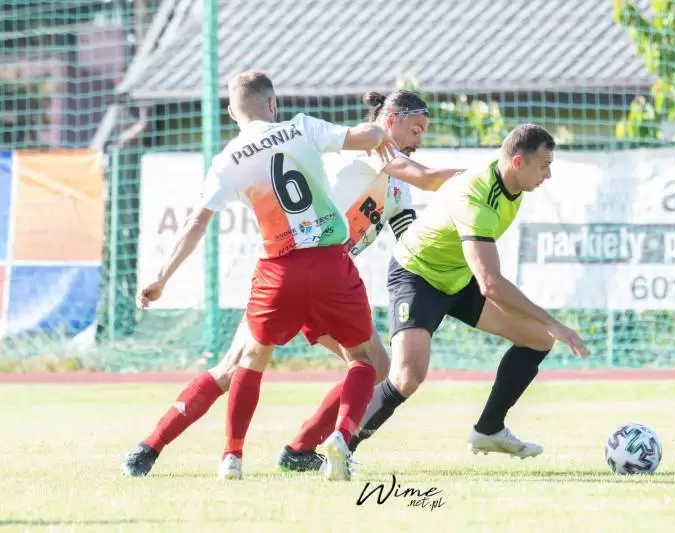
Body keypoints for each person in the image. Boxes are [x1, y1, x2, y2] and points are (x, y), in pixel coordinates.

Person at [123, 88, 464, 480]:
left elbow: (411, 240)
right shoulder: (371, 153)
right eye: (416, 130)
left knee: (375, 368)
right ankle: (153, 444)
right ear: (391, 121)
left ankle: (298, 450)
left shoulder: (397, 186)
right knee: (243, 367)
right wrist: (484, 178)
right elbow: (424, 176)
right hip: (306, 266)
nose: (419, 141)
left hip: (325, 278)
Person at [347, 124, 590, 459]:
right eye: (544, 165)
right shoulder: (478, 197)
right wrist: (555, 323)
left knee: (537, 339)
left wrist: (547, 328)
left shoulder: (511, 178)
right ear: (518, 162)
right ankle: (340, 445)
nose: (548, 175)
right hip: (417, 275)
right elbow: (490, 284)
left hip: (459, 277)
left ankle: (489, 429)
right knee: (406, 377)